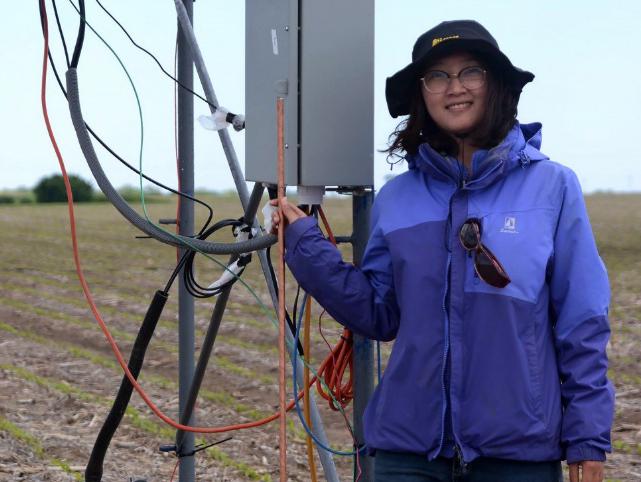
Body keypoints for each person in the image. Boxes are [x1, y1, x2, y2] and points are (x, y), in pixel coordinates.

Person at [271, 20, 614, 482]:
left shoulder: (552, 188)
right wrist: (307, 247)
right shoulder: (398, 198)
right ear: (422, 95)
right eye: (438, 77)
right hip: (407, 453)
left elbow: (582, 322)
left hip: (517, 454)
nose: (455, 88)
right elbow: (379, 313)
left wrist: (587, 440)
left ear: (496, 86)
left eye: (470, 72)